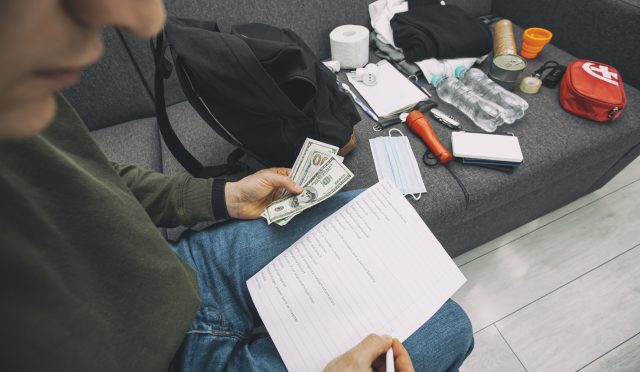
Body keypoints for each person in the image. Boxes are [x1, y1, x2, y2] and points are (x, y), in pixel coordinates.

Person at [0, 0, 474, 371]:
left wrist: (220, 195)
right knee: (452, 327)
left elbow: (88, 179)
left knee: (363, 211)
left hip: (175, 271)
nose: (142, 19)